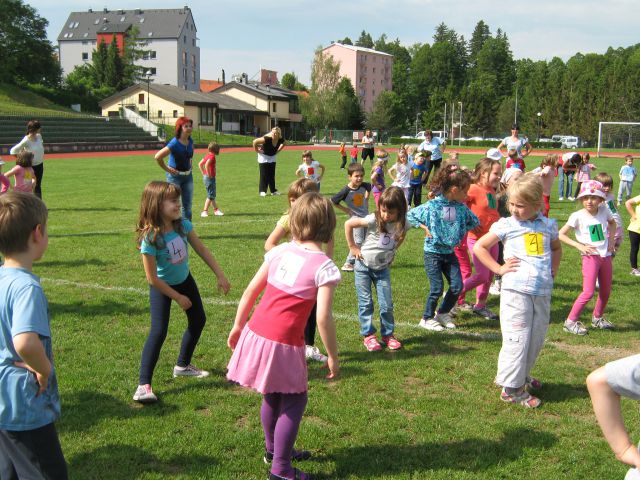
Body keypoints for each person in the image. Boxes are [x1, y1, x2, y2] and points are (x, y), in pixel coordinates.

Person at [227, 192, 340, 480]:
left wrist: (238, 326)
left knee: (272, 394)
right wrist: (333, 357)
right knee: (295, 399)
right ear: (329, 225)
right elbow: (323, 318)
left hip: (257, 332)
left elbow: (251, 291)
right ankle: (281, 469)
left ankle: (274, 451)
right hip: (283, 342)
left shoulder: (279, 251)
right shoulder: (324, 267)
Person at [133, 181, 231, 403]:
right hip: (162, 286)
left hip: (185, 280)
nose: (178, 204)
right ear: (156, 205)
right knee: (158, 331)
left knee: (198, 320)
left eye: (178, 199)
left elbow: (201, 248)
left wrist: (220, 274)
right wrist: (176, 297)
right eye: (172, 201)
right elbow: (152, 278)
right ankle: (143, 385)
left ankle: (183, 365)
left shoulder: (182, 225)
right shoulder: (150, 237)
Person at [473, 175, 562, 408]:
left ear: (537, 204)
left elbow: (556, 247)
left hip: (542, 291)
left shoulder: (548, 225)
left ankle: (520, 376)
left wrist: (553, 269)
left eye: (520, 205)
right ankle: (511, 389)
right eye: (511, 204)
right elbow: (481, 247)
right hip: (516, 291)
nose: (513, 209)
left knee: (535, 338)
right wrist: (499, 269)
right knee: (517, 339)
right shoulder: (507, 225)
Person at [0, 191, 68, 479]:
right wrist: (43, 369)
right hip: (25, 403)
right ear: (37, 233)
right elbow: (25, 341)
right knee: (47, 471)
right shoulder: (26, 287)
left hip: (3, 402)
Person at [264, 178, 332, 363]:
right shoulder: (287, 219)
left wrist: (327, 260)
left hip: (312, 271)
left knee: (313, 307)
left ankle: (308, 346)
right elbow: (270, 244)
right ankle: (286, 344)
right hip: (291, 272)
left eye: (298, 198)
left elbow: (329, 238)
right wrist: (289, 256)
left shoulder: (318, 219)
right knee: (292, 309)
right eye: (292, 198)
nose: (294, 202)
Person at [407, 165, 480, 332]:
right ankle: (426, 318)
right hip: (433, 254)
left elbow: (474, 221)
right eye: (465, 191)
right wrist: (423, 227)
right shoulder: (432, 206)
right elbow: (410, 215)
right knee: (437, 288)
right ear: (454, 190)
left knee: (457, 286)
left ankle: (442, 312)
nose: (467, 195)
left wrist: (461, 230)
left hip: (449, 253)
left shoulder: (460, 208)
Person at [345, 186, 408, 351]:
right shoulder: (373, 219)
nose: (386, 215)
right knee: (366, 302)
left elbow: (402, 234)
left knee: (386, 304)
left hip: (382, 270)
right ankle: (369, 336)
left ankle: (388, 335)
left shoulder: (403, 223)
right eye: (383, 210)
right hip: (363, 266)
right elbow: (349, 223)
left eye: (391, 212)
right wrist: (353, 247)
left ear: (400, 210)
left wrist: (393, 251)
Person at [559, 180, 616, 335]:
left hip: (606, 256)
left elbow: (612, 224)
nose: (589, 201)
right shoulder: (577, 216)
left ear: (600, 200)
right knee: (588, 292)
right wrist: (579, 246)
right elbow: (561, 234)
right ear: (581, 199)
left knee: (605, 291)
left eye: (594, 197)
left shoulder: (604, 210)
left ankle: (597, 318)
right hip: (590, 257)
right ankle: (570, 322)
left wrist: (611, 242)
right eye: (585, 198)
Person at [458, 157, 503, 321]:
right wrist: (469, 222)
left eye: (500, 173)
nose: (499, 177)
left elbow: (491, 212)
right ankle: (453, 295)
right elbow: (458, 205)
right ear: (484, 173)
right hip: (477, 240)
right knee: (482, 275)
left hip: (492, 238)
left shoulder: (491, 190)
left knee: (489, 275)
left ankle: (480, 306)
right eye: (496, 173)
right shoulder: (473, 189)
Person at [331, 163, 371, 272]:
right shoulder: (346, 191)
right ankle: (348, 263)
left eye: (361, 176)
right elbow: (333, 201)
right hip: (355, 218)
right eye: (356, 176)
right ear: (350, 177)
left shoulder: (364, 185)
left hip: (365, 216)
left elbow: (369, 188)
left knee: (367, 239)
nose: (359, 178)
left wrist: (366, 199)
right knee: (358, 241)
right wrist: (347, 210)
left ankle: (362, 259)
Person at [154, 116, 195, 220]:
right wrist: (167, 169)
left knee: (187, 206)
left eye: (190, 126)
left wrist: (190, 163)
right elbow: (158, 157)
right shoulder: (175, 143)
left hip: (188, 176)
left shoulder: (190, 141)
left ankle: (187, 231)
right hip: (175, 177)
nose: (189, 128)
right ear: (180, 128)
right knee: (173, 205)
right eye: (186, 126)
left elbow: (189, 155)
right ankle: (171, 230)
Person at [10, 120, 44, 199]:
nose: (40, 129)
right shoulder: (26, 140)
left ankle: (38, 204)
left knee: (38, 185)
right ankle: (25, 202)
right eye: (39, 128)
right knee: (27, 185)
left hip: (39, 165)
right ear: (35, 129)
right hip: (30, 167)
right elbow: (13, 151)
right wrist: (22, 160)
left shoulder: (39, 136)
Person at [254, 126, 285, 197]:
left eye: (275, 133)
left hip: (272, 156)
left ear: (279, 134)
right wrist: (256, 150)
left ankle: (273, 191)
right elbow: (255, 141)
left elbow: (285, 143)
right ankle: (262, 191)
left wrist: (279, 150)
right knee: (264, 174)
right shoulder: (267, 138)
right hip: (263, 156)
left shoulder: (280, 139)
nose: (273, 134)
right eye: (272, 132)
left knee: (271, 174)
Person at [596, 172, 623, 251]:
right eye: (604, 186)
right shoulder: (597, 200)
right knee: (603, 252)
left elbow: (614, 208)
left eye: (609, 186)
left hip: (618, 227)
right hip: (607, 230)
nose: (607, 188)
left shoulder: (611, 196)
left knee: (613, 252)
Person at [198, 141, 224, 218]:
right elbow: (206, 165)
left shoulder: (207, 155)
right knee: (210, 195)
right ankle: (204, 211)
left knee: (211, 194)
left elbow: (200, 164)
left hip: (206, 178)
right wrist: (209, 175)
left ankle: (216, 210)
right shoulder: (212, 157)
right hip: (210, 178)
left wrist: (203, 173)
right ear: (215, 149)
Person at [624, 193, 640, 276]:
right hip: (635, 229)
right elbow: (628, 203)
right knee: (635, 248)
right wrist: (633, 215)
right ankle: (634, 269)